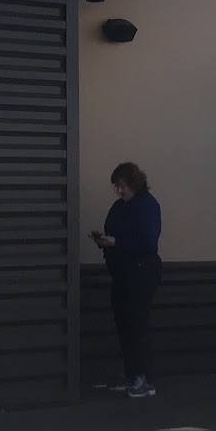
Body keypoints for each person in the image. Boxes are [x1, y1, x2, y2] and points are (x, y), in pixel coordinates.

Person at [91, 162, 162, 398]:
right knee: (123, 322)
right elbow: (112, 230)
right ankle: (132, 374)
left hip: (141, 272)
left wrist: (117, 243)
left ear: (134, 183)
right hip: (121, 272)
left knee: (138, 323)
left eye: (123, 186)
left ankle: (145, 378)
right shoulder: (119, 207)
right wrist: (105, 241)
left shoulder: (147, 206)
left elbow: (148, 242)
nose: (120, 191)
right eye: (116, 186)